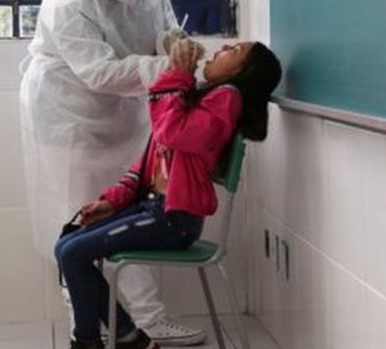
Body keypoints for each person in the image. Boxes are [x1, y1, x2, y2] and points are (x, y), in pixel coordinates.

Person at [19, 0, 205, 346]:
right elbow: (98, 72)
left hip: (121, 109)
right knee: (75, 220)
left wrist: (173, 42)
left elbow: (163, 27)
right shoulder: (68, 0)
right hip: (67, 115)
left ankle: (146, 321)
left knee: (125, 216)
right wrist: (168, 67)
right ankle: (85, 324)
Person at [55, 39, 283, 349]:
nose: (225, 46)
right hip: (153, 209)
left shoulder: (228, 97)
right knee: (67, 242)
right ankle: (127, 336)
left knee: (73, 253)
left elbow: (173, 131)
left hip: (173, 219)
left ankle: (89, 341)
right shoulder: (202, 97)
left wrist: (178, 74)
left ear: (244, 72)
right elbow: (150, 159)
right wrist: (112, 200)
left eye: (236, 50)